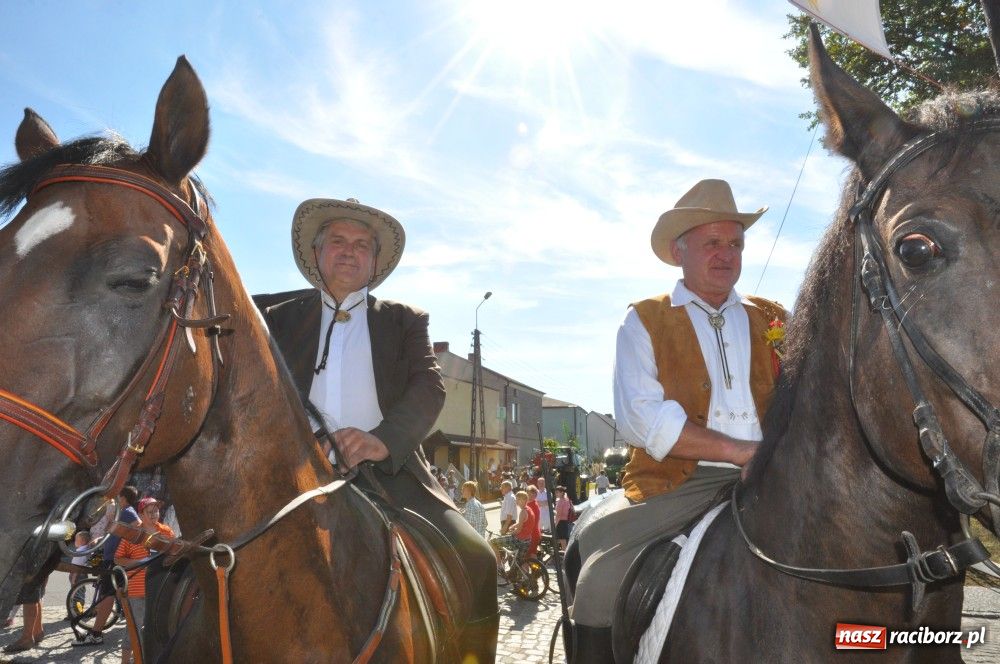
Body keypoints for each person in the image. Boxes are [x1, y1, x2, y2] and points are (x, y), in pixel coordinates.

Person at [254, 198, 498, 661]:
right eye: (339, 241)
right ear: (318, 253)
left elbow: (429, 388)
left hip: (389, 476)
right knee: (186, 563)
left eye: (362, 245)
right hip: (285, 476)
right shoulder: (270, 314)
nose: (350, 251)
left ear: (374, 262)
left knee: (478, 559)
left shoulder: (405, 320)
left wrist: (381, 441)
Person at [570, 179, 787, 649]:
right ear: (678, 250)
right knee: (597, 585)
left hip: (776, 477)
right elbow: (640, 418)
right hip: (678, 482)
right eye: (712, 242)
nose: (726, 254)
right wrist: (739, 450)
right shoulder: (645, 318)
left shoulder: (772, 318)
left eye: (735, 243)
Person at [73, 485, 140, 647]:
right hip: (112, 558)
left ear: (123, 498)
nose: (116, 499)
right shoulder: (124, 512)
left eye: (118, 496)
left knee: (106, 595)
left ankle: (96, 634)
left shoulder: (127, 512)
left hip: (114, 560)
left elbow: (136, 525)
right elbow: (113, 533)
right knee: (116, 593)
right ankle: (127, 621)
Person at [115, 497, 176, 664]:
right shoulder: (132, 534)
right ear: (140, 514)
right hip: (137, 590)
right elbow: (118, 559)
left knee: (157, 628)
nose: (154, 514)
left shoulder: (166, 531)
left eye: (156, 511)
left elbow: (174, 554)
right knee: (134, 629)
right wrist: (138, 563)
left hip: (160, 589)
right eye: (150, 512)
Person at [553, 486, 573, 551]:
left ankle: (563, 554)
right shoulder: (567, 499)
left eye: (557, 492)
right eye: (555, 492)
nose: (556, 494)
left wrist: (555, 524)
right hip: (565, 521)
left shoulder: (561, 501)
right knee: (563, 539)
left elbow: (558, 515)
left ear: (562, 493)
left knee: (562, 539)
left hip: (561, 522)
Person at [524, 486, 543, 557]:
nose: (529, 496)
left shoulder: (531, 505)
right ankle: (536, 567)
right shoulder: (532, 504)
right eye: (528, 493)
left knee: (529, 555)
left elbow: (529, 522)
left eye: (532, 494)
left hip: (532, 534)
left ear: (535, 495)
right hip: (533, 533)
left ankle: (537, 568)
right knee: (531, 555)